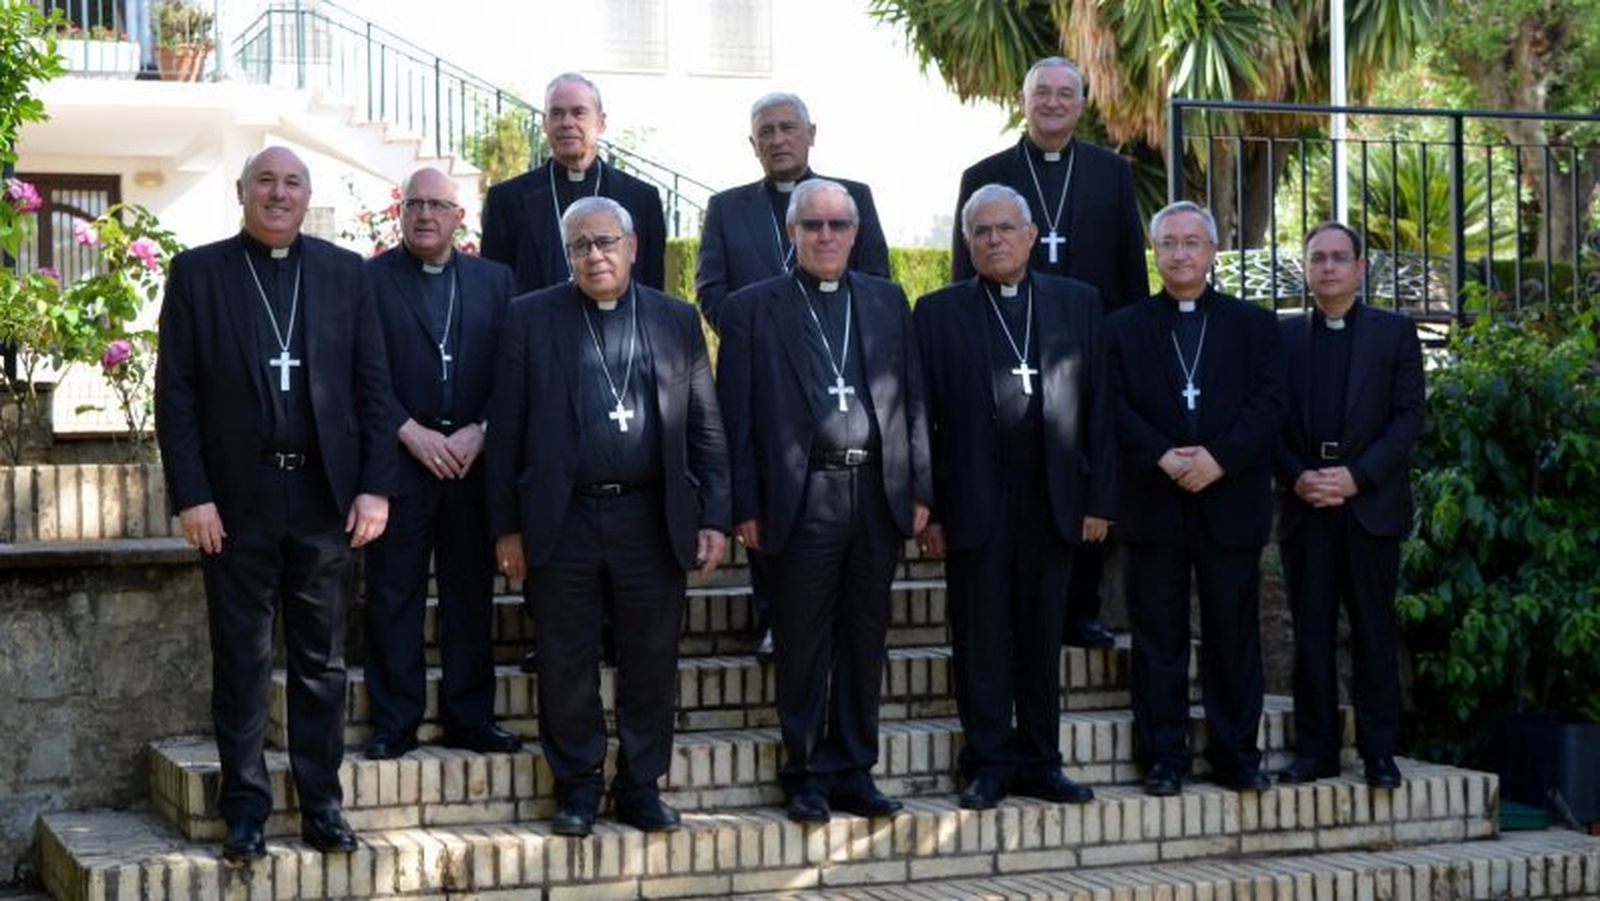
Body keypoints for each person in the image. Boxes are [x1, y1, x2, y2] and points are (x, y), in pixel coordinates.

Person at [155, 146, 396, 863]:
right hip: (236, 503)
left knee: (322, 663)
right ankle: (245, 811)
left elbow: (374, 389)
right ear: (242, 192)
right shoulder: (199, 274)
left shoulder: (346, 273)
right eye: (266, 180)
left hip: (324, 499)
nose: (279, 193)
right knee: (242, 661)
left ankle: (323, 805)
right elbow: (177, 395)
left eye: (292, 183)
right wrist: (193, 496)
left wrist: (375, 486)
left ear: (306, 196)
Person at [484, 196, 730, 837]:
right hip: (563, 518)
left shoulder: (676, 319)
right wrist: (506, 526)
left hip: (650, 515)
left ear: (633, 246)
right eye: (580, 246)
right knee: (565, 660)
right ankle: (578, 786)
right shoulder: (530, 318)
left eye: (605, 242)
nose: (594, 255)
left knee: (651, 659)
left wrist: (714, 517)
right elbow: (505, 431)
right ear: (567, 255)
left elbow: (705, 426)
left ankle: (641, 786)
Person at [716, 179, 932, 823]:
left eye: (839, 225)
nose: (826, 236)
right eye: (813, 225)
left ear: (856, 233)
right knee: (804, 641)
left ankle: (856, 769)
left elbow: (913, 400)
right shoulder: (752, 308)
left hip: (875, 493)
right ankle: (806, 771)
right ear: (792, 233)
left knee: (865, 639)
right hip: (801, 494)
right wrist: (743, 506)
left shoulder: (887, 299)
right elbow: (736, 418)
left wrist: (920, 486)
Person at [915, 184, 1113, 810]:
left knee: (1041, 637)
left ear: (1032, 236)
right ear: (967, 242)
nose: (994, 239)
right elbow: (920, 418)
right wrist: (930, 509)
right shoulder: (937, 312)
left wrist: (1099, 500)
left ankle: (1041, 761)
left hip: (1052, 499)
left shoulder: (1078, 303)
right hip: (973, 502)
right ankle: (987, 763)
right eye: (982, 231)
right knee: (980, 638)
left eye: (1006, 228)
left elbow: (1100, 407)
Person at [952, 56, 1150, 651]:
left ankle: (1082, 609)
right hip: (1008, 344)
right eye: (1043, 92)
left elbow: (1130, 269)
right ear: (1023, 100)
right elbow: (965, 274)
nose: (1054, 103)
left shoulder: (1111, 174)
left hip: (1088, 349)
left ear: (1082, 104)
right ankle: (1015, 604)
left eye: (1066, 93)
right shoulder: (985, 174)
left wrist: (1125, 348)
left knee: (1083, 471)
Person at [695, 91, 892, 661]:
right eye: (767, 131)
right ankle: (774, 617)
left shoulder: (852, 198)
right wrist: (760, 335)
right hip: (767, 377)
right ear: (752, 144)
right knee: (769, 489)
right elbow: (711, 288)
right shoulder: (727, 208)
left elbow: (876, 278)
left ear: (811, 134)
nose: (778, 139)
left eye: (788, 127)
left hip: (842, 368)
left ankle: (842, 627)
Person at [1105, 201, 1285, 797]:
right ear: (1154, 253)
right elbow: (1111, 404)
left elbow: (1270, 402)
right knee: (1158, 638)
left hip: (1229, 500)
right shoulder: (1123, 327)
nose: (1180, 254)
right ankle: (1164, 756)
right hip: (1153, 503)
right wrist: (1162, 455)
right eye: (1168, 244)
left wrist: (1220, 459)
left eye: (1191, 243)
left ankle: (1237, 754)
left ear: (1211, 252)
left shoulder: (1253, 325)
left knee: (1234, 634)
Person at [361, 167, 519, 761]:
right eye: (415, 204)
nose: (425, 214)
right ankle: (395, 721)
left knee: (469, 595)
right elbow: (361, 372)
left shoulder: (496, 281)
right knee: (393, 594)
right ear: (401, 213)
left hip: (472, 466)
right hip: (403, 463)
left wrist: (483, 430)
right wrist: (409, 432)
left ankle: (470, 717)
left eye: (437, 205)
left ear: (459, 217)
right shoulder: (370, 280)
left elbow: (515, 369)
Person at [1273, 222, 1423, 790]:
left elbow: (1408, 418)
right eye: (1318, 258)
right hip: (1306, 502)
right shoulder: (1283, 336)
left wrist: (1356, 478)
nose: (1329, 267)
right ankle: (1316, 752)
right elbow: (1269, 417)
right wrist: (1298, 477)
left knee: (1373, 632)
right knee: (1311, 633)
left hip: (1369, 506)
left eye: (1339, 258)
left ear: (1360, 268)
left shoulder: (1395, 333)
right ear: (1306, 269)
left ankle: (1379, 752)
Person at [481, 72, 667, 294]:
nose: (567, 123)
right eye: (557, 114)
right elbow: (493, 290)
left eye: (578, 113)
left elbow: (652, 290)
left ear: (601, 123)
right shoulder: (507, 200)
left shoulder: (641, 199)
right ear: (545, 123)